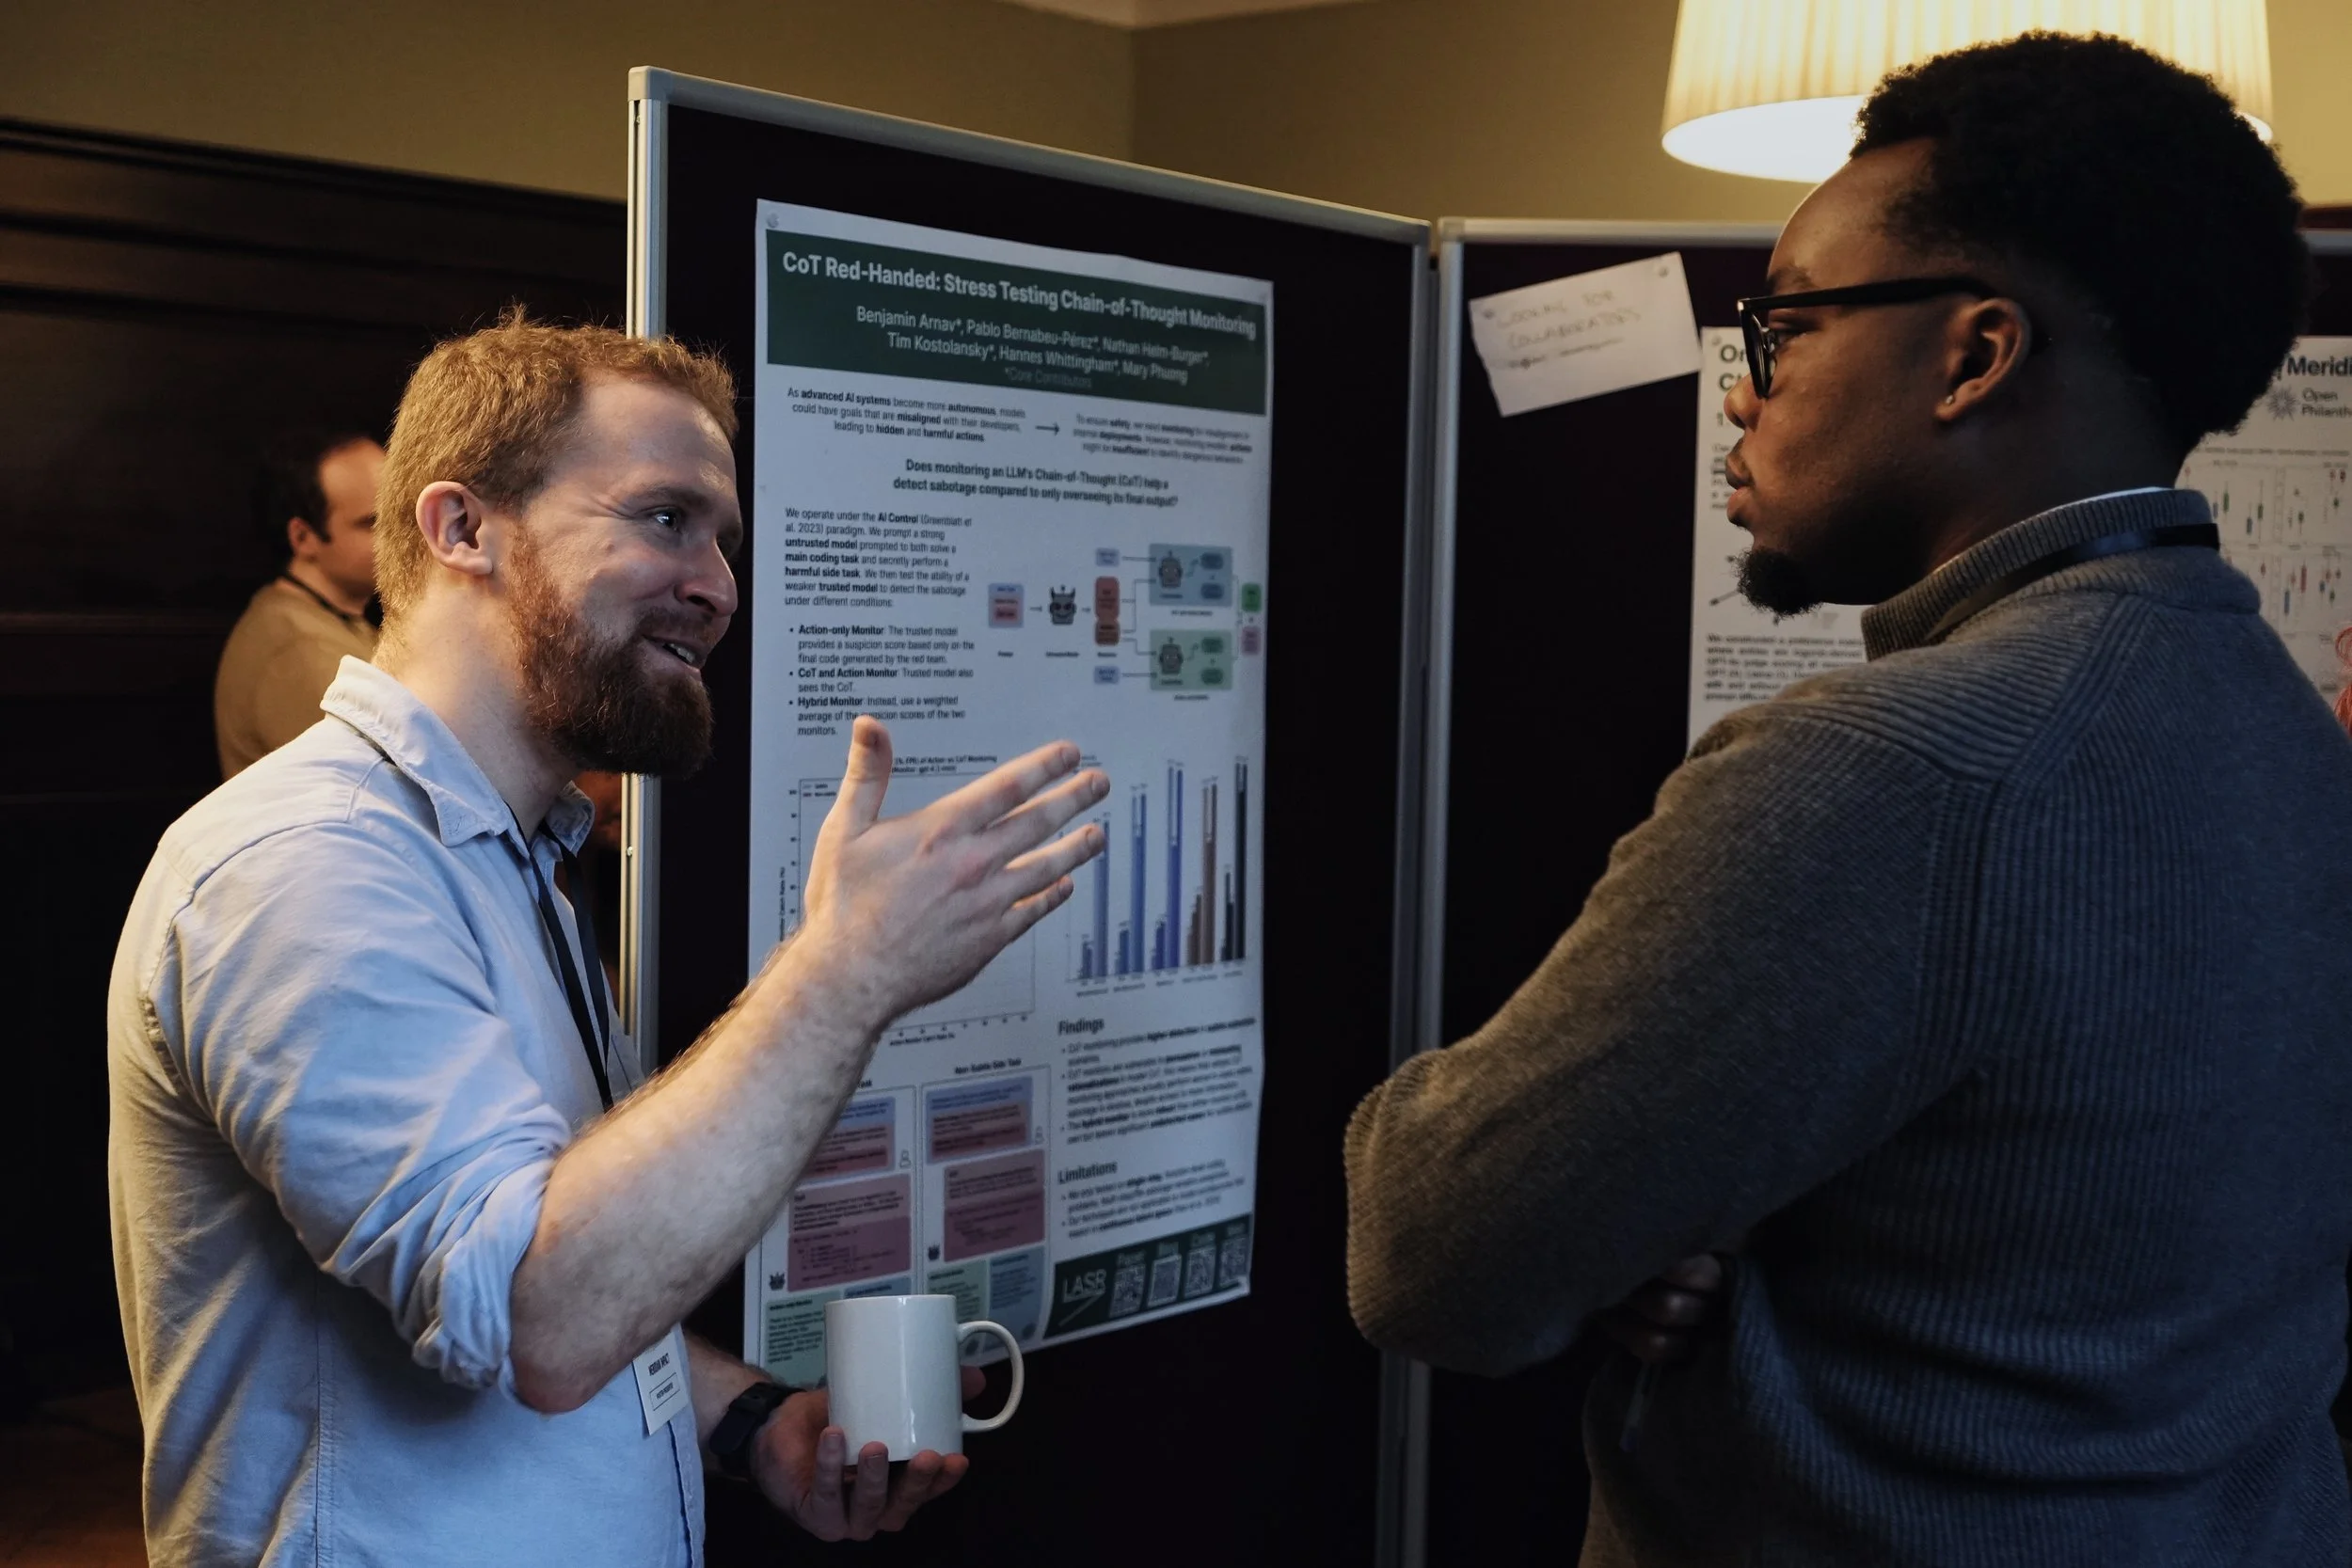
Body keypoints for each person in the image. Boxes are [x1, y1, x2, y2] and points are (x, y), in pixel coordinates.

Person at [1344, 33, 2352, 1565]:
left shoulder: (1891, 770)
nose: (1743, 397)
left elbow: (1434, 1255)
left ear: (1972, 355)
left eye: (1788, 325)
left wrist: (1652, 1212)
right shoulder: (2283, 728)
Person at [110, 315, 1106, 1565]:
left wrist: (747, 1422)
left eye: (725, 539)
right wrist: (848, 972)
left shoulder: (515, 851)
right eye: (664, 518)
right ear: (462, 527)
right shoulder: (300, 865)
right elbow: (537, 1308)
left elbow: (561, 1236)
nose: (720, 585)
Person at [214, 432, 387, 777]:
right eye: (372, 523)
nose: (401, 533)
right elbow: (385, 792)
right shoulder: (299, 650)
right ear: (303, 538)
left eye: (399, 513)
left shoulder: (326, 616)